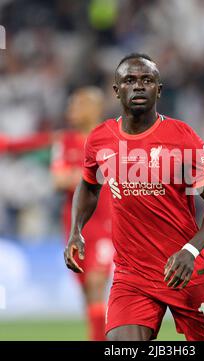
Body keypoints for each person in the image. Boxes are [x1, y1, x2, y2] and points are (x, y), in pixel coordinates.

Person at [64, 54, 204, 341]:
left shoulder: (182, 137)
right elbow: (89, 185)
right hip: (132, 277)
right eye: (130, 80)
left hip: (185, 271)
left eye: (147, 80)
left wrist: (190, 250)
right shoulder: (100, 139)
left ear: (159, 89)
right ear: (116, 90)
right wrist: (76, 230)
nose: (139, 86)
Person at [52, 87, 114, 341]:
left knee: (96, 283)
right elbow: (57, 180)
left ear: (93, 108)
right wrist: (90, 174)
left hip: (105, 224)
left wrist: (77, 176)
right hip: (74, 225)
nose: (71, 111)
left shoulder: (110, 138)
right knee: (87, 293)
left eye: (76, 105)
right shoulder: (64, 141)